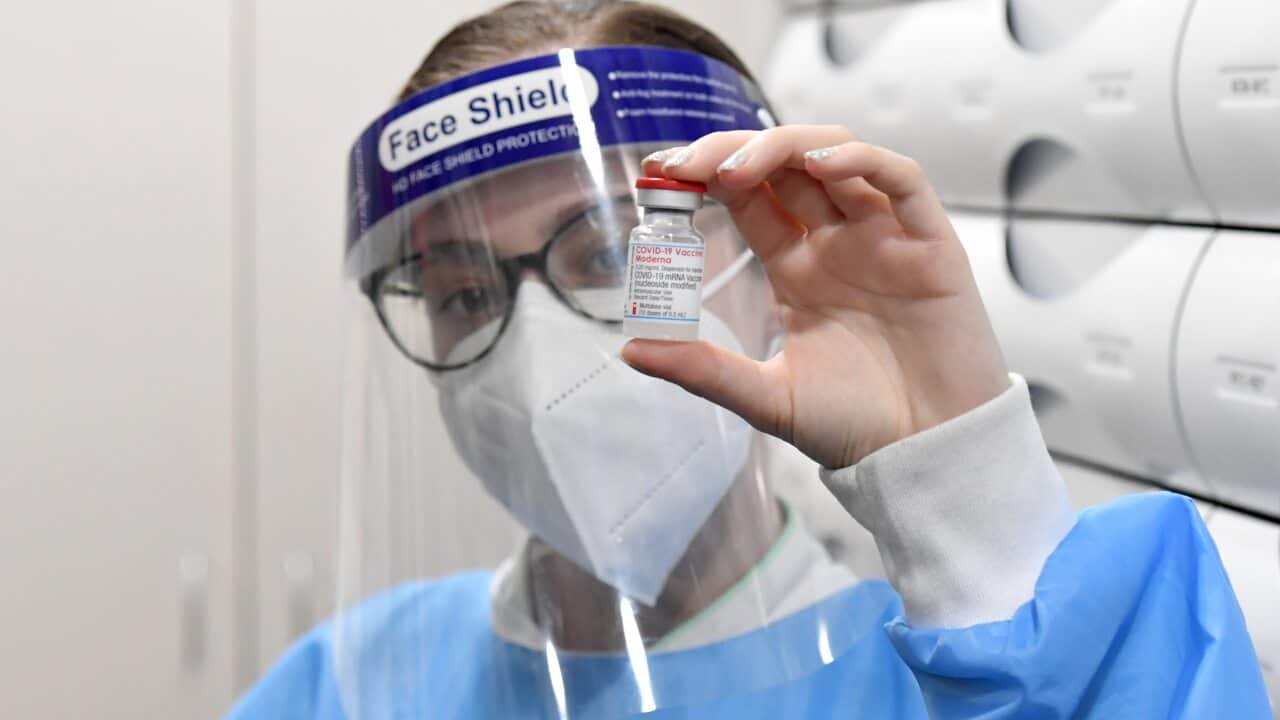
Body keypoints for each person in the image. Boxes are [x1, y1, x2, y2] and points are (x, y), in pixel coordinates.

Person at [229, 1, 1271, 717]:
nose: (533, 354)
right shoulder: (350, 685)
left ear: (769, 268)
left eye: (605, 253)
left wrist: (970, 504)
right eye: (462, 291)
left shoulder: (973, 663)